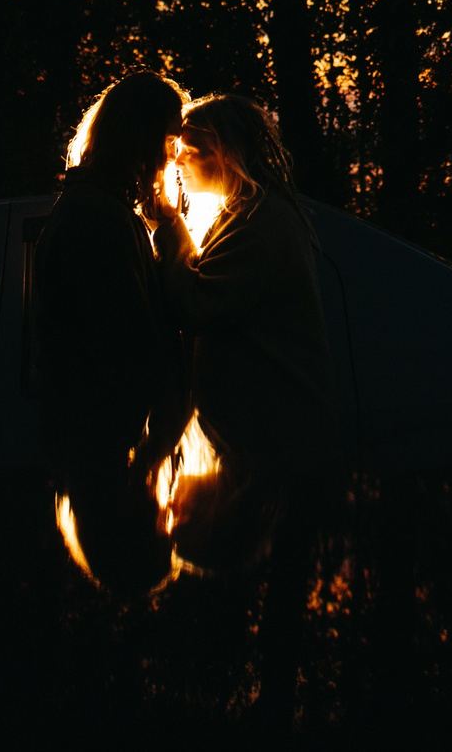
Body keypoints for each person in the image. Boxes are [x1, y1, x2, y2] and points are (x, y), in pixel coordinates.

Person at [148, 92, 337, 576]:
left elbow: (199, 305)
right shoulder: (248, 215)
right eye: (182, 519)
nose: (180, 165)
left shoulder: (257, 222)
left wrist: (169, 226)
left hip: (271, 422)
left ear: (226, 152)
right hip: (270, 424)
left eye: (191, 151)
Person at [30, 71, 190, 597]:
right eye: (169, 141)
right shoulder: (99, 220)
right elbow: (128, 351)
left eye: (160, 529)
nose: (174, 158)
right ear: (140, 138)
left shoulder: (101, 211)